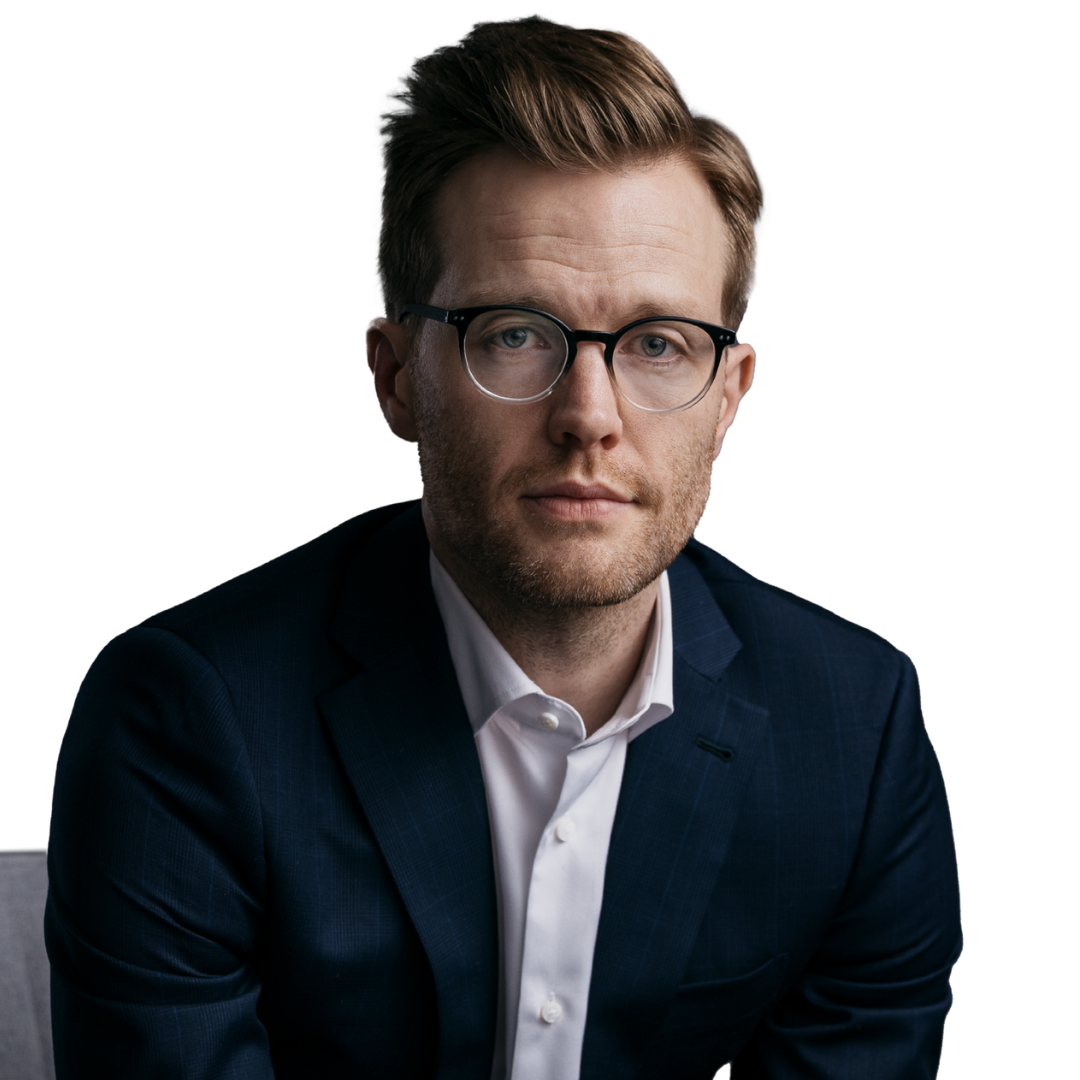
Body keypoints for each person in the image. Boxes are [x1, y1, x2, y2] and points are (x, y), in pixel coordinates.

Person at [45, 16, 963, 1079]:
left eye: (659, 344)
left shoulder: (857, 728)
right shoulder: (187, 717)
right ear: (394, 379)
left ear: (733, 398)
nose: (590, 415)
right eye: (516, 334)